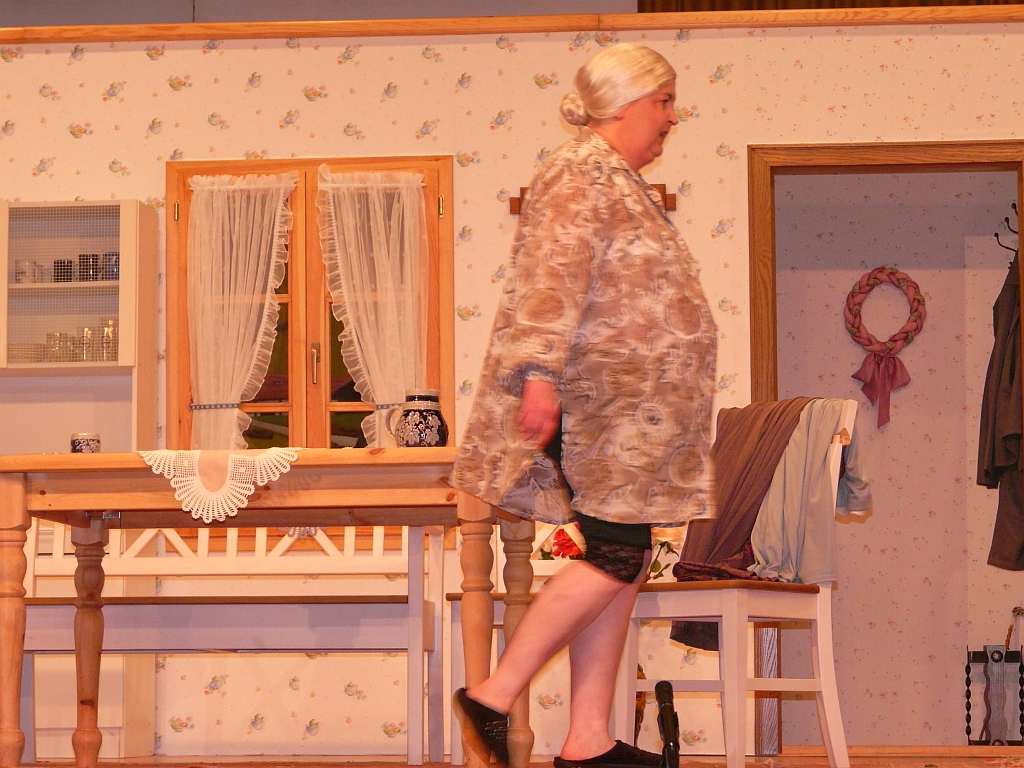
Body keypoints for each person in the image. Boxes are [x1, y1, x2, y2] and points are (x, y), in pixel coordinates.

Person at [450, 42, 717, 768]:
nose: (672, 118)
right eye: (663, 102)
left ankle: (588, 739)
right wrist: (539, 374)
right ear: (627, 102)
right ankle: (494, 694)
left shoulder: (619, 181)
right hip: (601, 406)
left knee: (623, 556)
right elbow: (551, 273)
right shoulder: (580, 171)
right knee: (615, 551)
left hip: (634, 415)